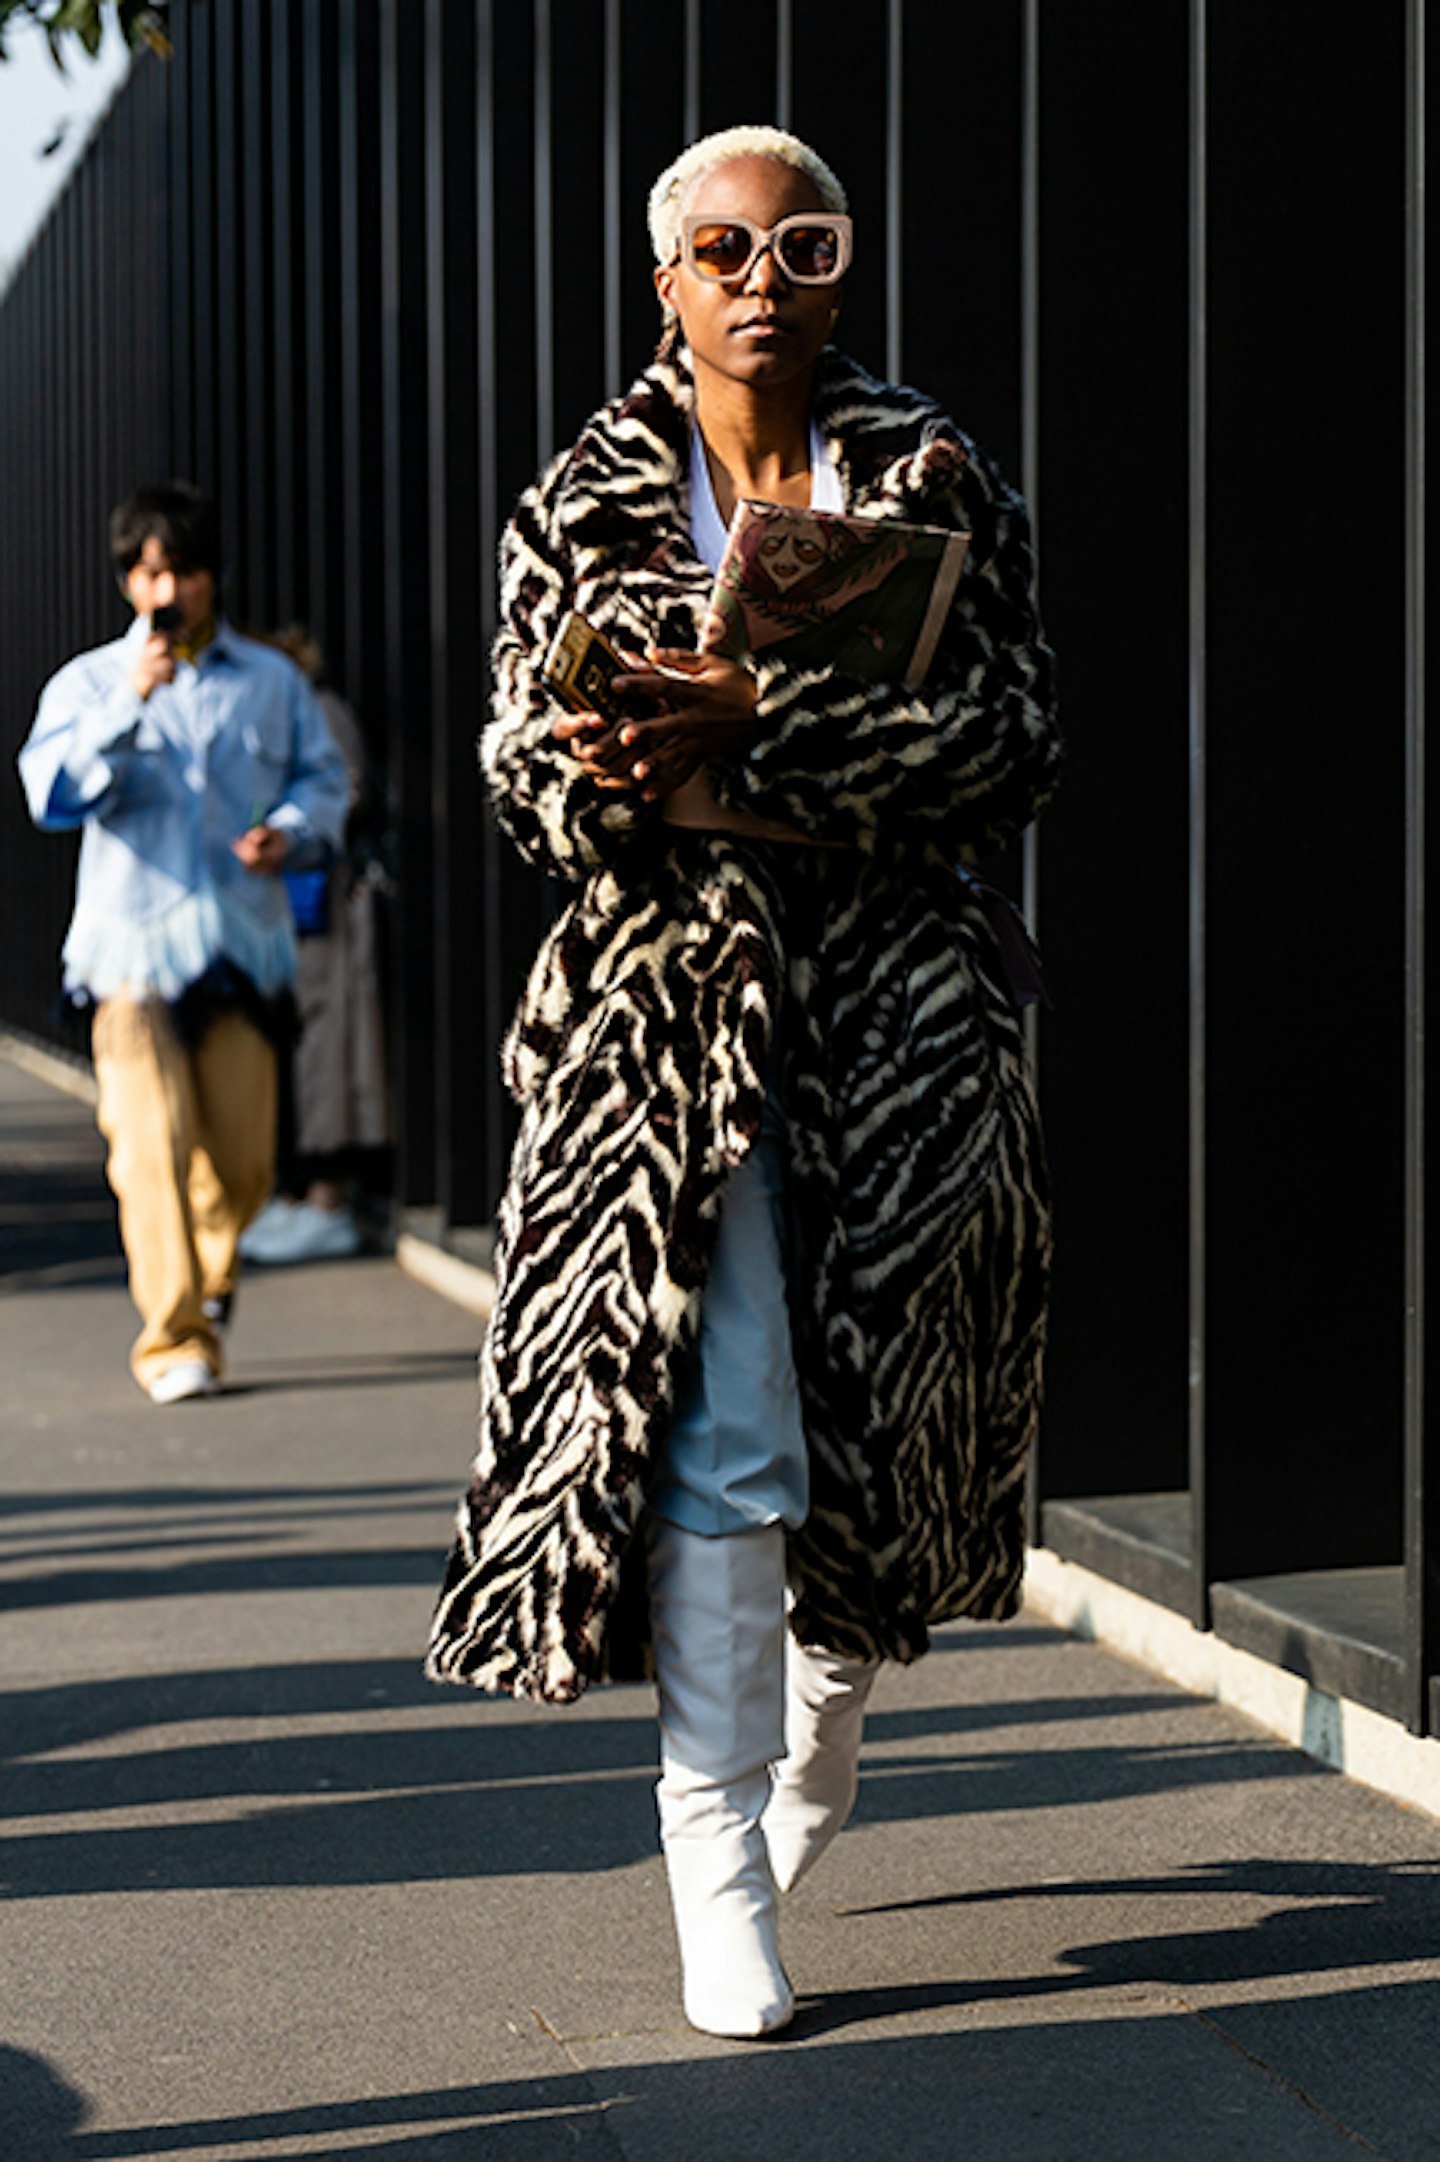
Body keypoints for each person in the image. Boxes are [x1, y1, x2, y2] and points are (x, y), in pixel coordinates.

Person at [427, 125, 1061, 2039]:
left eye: (805, 244)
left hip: (907, 1033)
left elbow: (1018, 736)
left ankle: (818, 1739)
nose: (762, 279)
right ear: (666, 283)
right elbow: (515, 761)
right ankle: (711, 1855)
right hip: (669, 1030)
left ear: (841, 265)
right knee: (729, 1429)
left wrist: (768, 716)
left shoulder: (938, 470)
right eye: (723, 249)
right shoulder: (583, 493)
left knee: (879, 1445)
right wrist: (601, 762)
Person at [17, 483, 348, 1403]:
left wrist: (290, 830)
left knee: (239, 1166)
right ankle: (173, 1339)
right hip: (128, 959)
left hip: (242, 950)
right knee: (148, 1142)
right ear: (129, 581)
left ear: (212, 577)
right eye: (150, 571)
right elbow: (50, 794)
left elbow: (326, 784)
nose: (168, 588)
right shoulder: (89, 683)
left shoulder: (273, 681)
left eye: (184, 570)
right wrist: (129, 703)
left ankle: (207, 1276)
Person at [239, 627, 390, 1267]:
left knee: (328, 1044)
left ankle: (329, 1198)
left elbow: (346, 792)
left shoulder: (314, 708)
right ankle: (308, 1191)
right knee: (303, 1042)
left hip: (324, 897)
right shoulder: (290, 708)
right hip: (291, 902)